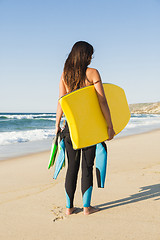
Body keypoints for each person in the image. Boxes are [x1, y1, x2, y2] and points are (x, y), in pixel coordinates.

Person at [55, 41, 115, 215]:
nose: (91, 58)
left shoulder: (65, 74)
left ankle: (69, 208)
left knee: (71, 168)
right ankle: (87, 208)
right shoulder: (92, 73)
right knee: (87, 167)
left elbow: (61, 102)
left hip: (70, 129)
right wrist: (109, 126)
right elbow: (102, 101)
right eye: (90, 54)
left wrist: (57, 124)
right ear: (84, 55)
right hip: (89, 130)